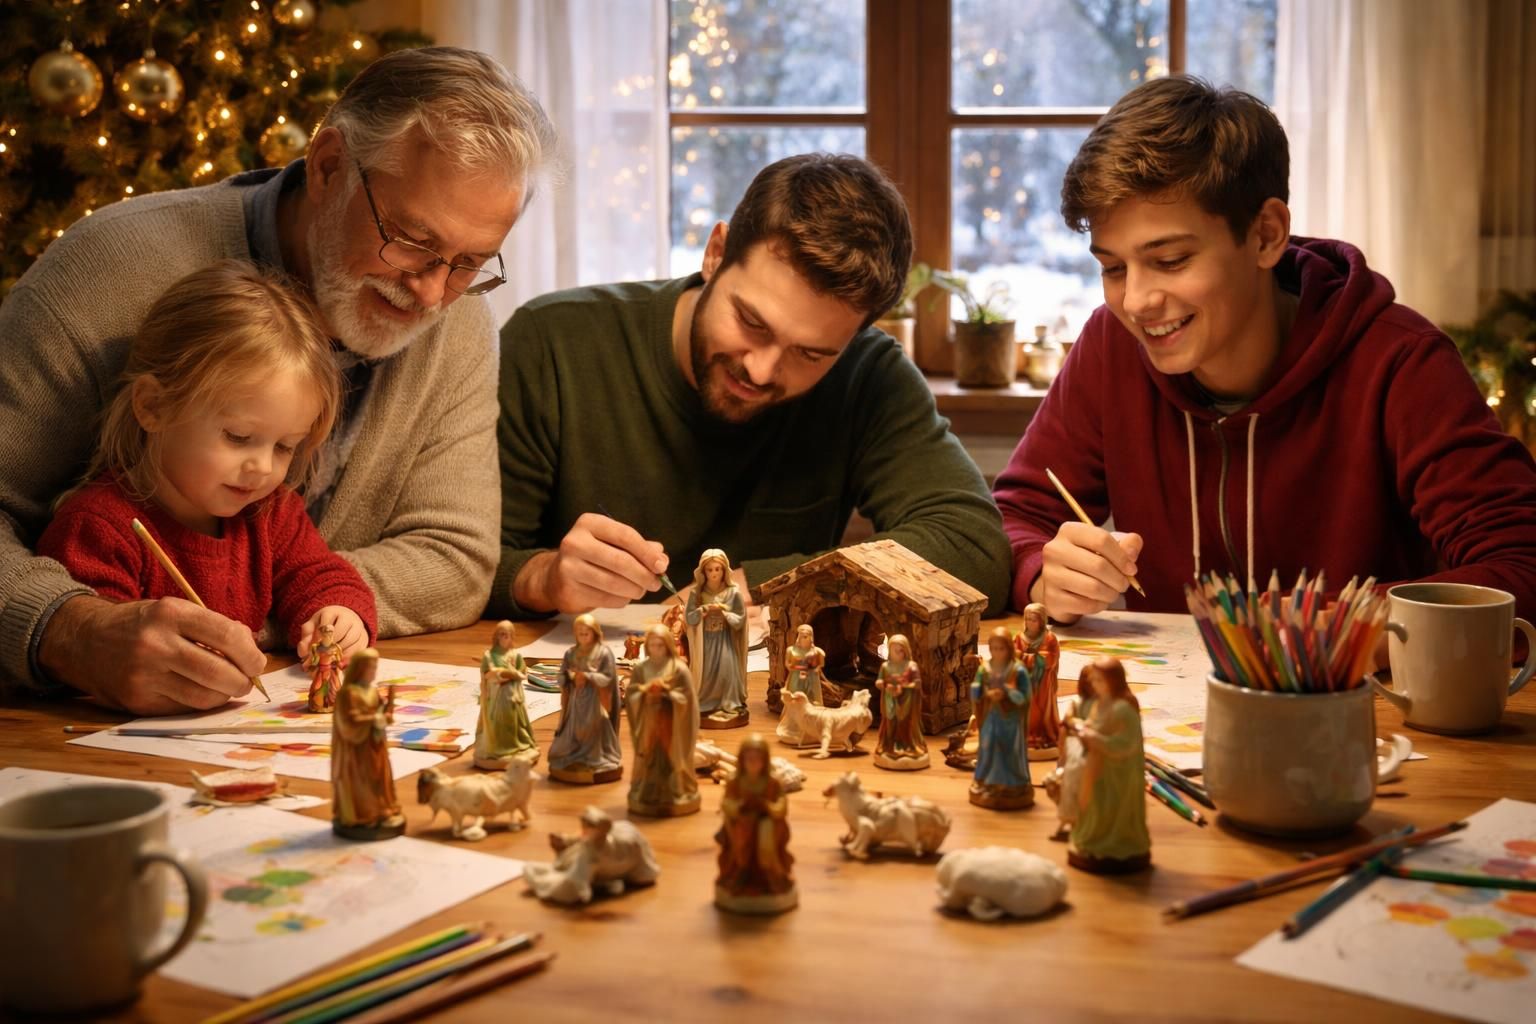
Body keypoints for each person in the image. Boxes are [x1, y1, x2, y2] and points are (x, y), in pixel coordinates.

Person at [0, 46, 556, 714]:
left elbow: (454, 557)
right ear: (328, 166)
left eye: (468, 262)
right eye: (409, 238)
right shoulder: (108, 273)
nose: (433, 293)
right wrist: (71, 630)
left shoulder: (459, 324)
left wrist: (289, 605)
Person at [993, 76, 1536, 629]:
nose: (1135, 301)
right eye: (1112, 268)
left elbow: (1521, 564)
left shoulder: (1399, 362)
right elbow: (1015, 519)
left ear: (1267, 235)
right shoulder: (1109, 347)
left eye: (1172, 260)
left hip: (1360, 707)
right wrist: (1042, 572)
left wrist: (1353, 627)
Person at [492, 153, 1011, 620]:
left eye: (809, 353)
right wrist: (543, 576)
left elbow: (974, 549)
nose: (761, 370)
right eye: (751, 322)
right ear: (716, 254)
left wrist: (767, 586)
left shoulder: (867, 374)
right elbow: (460, 566)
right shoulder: (554, 342)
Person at [35, 262, 377, 710]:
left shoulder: (269, 513)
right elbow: (93, 666)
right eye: (238, 437)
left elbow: (318, 574)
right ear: (153, 406)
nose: (261, 468)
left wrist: (338, 614)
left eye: (284, 447)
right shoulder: (99, 529)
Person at [1065, 657, 1150, 873]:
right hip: (1097, 767)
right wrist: (1082, 728)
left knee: (1109, 806)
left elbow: (1127, 743)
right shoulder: (1100, 704)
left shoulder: (1123, 709)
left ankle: (1113, 844)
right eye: (1093, 681)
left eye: (1099, 681)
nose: (1094, 685)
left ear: (1113, 681)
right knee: (1094, 807)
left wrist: (1096, 739)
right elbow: (1094, 726)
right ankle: (1093, 840)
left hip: (1118, 772)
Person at [331, 647, 405, 841]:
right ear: (360, 669)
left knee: (380, 777)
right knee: (363, 779)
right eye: (371, 667)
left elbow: (381, 711)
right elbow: (350, 720)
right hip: (358, 747)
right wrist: (376, 718)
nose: (374, 671)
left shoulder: (372, 691)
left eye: (375, 667)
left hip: (375, 743)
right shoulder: (348, 694)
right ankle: (364, 815)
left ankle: (383, 808)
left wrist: (387, 710)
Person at [546, 613, 623, 784]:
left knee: (592, 728)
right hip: (576, 700)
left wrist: (588, 676)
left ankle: (594, 758)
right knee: (574, 730)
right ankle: (574, 756)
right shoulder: (571, 653)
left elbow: (608, 678)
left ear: (595, 632)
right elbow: (561, 676)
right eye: (579, 633)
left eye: (586, 632)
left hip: (595, 700)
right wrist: (568, 677)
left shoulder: (603, 653)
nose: (583, 636)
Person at [684, 548, 749, 728]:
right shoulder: (696, 593)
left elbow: (740, 618)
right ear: (703, 571)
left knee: (728, 671)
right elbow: (689, 616)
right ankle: (706, 703)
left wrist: (724, 613)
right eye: (710, 570)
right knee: (706, 674)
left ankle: (729, 703)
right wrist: (703, 610)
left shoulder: (733, 593)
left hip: (724, 639)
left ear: (724, 570)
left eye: (717, 569)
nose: (714, 573)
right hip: (705, 641)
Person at [474, 619, 537, 769]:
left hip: (513, 694)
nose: (504, 638)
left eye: (508, 635)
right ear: (496, 636)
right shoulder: (489, 656)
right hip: (497, 695)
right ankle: (498, 748)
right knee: (498, 721)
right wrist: (498, 674)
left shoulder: (515, 655)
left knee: (515, 721)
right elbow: (486, 674)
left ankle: (516, 745)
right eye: (502, 635)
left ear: (512, 637)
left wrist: (513, 673)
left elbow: (523, 672)